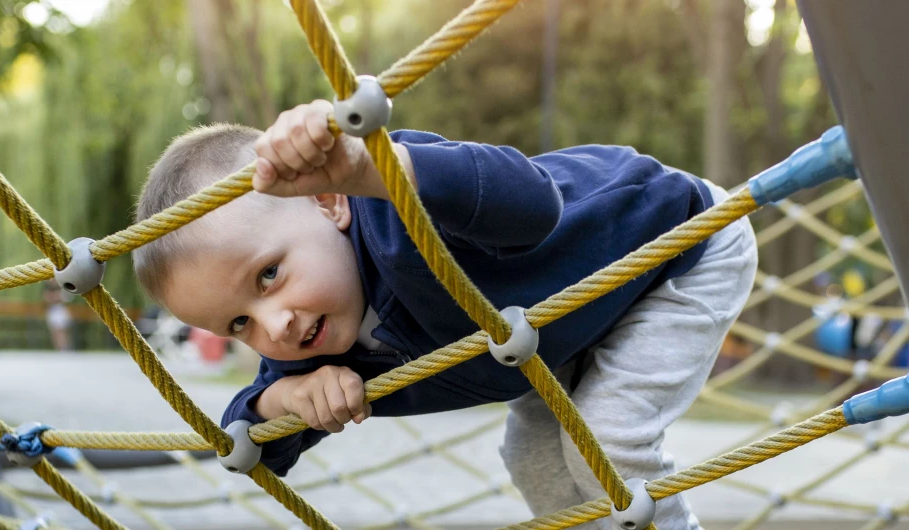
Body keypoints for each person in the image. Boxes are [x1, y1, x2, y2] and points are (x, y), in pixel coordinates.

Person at [132, 100, 757, 529]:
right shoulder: (309, 348)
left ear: (327, 202)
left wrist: (382, 170)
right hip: (554, 336)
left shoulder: (403, 212)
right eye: (238, 324)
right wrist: (282, 402)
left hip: (677, 243)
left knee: (607, 438)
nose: (273, 326)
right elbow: (251, 441)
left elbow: (531, 201)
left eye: (268, 275)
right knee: (533, 457)